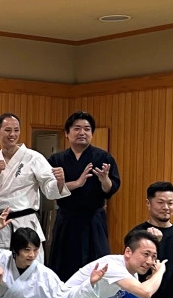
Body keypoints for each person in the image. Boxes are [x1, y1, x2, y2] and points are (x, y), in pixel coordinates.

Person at [0, 113, 68, 260]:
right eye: (8, 130)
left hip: (25, 223)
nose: (12, 134)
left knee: (30, 268)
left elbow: (50, 189)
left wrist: (59, 182)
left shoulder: (34, 158)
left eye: (16, 130)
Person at [48, 111, 120, 282]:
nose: (82, 132)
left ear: (92, 133)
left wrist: (104, 179)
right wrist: (77, 183)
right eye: (77, 128)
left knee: (96, 265)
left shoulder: (103, 157)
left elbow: (110, 189)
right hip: (66, 219)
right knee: (63, 266)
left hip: (93, 220)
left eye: (87, 129)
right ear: (67, 133)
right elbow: (49, 190)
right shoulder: (57, 159)